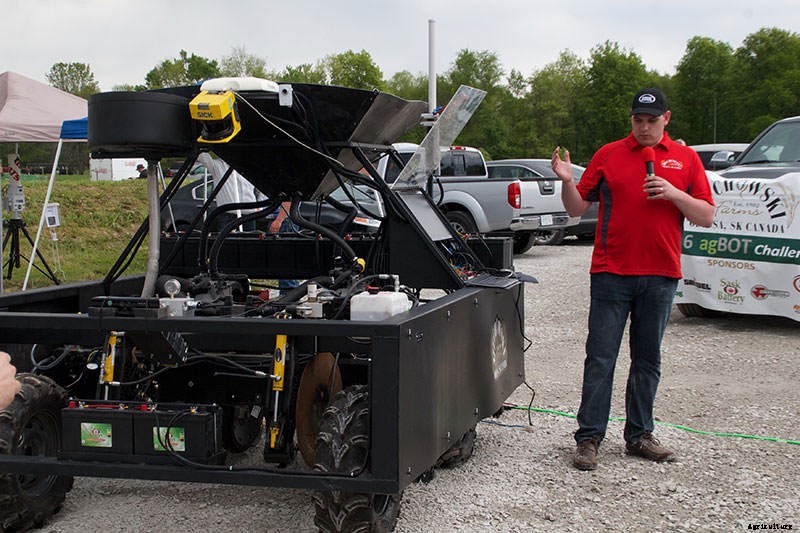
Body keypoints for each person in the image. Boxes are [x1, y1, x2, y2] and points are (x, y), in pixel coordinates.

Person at [551, 87, 715, 471]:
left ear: (666, 119)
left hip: (660, 275)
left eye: (651, 121)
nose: (644, 128)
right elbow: (576, 209)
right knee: (600, 358)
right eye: (638, 120)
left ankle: (640, 436)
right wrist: (565, 180)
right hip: (612, 274)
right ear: (631, 120)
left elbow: (706, 215)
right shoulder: (609, 154)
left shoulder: (686, 159)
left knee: (647, 359)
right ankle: (589, 438)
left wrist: (674, 193)